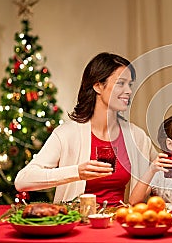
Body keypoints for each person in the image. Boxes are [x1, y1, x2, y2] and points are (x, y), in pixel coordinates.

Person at [15, 52, 158, 206]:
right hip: (78, 223)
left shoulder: (136, 136)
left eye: (130, 84)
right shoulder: (67, 134)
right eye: (121, 83)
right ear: (97, 86)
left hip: (121, 221)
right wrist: (77, 172)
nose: (129, 91)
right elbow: (23, 180)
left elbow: (165, 174)